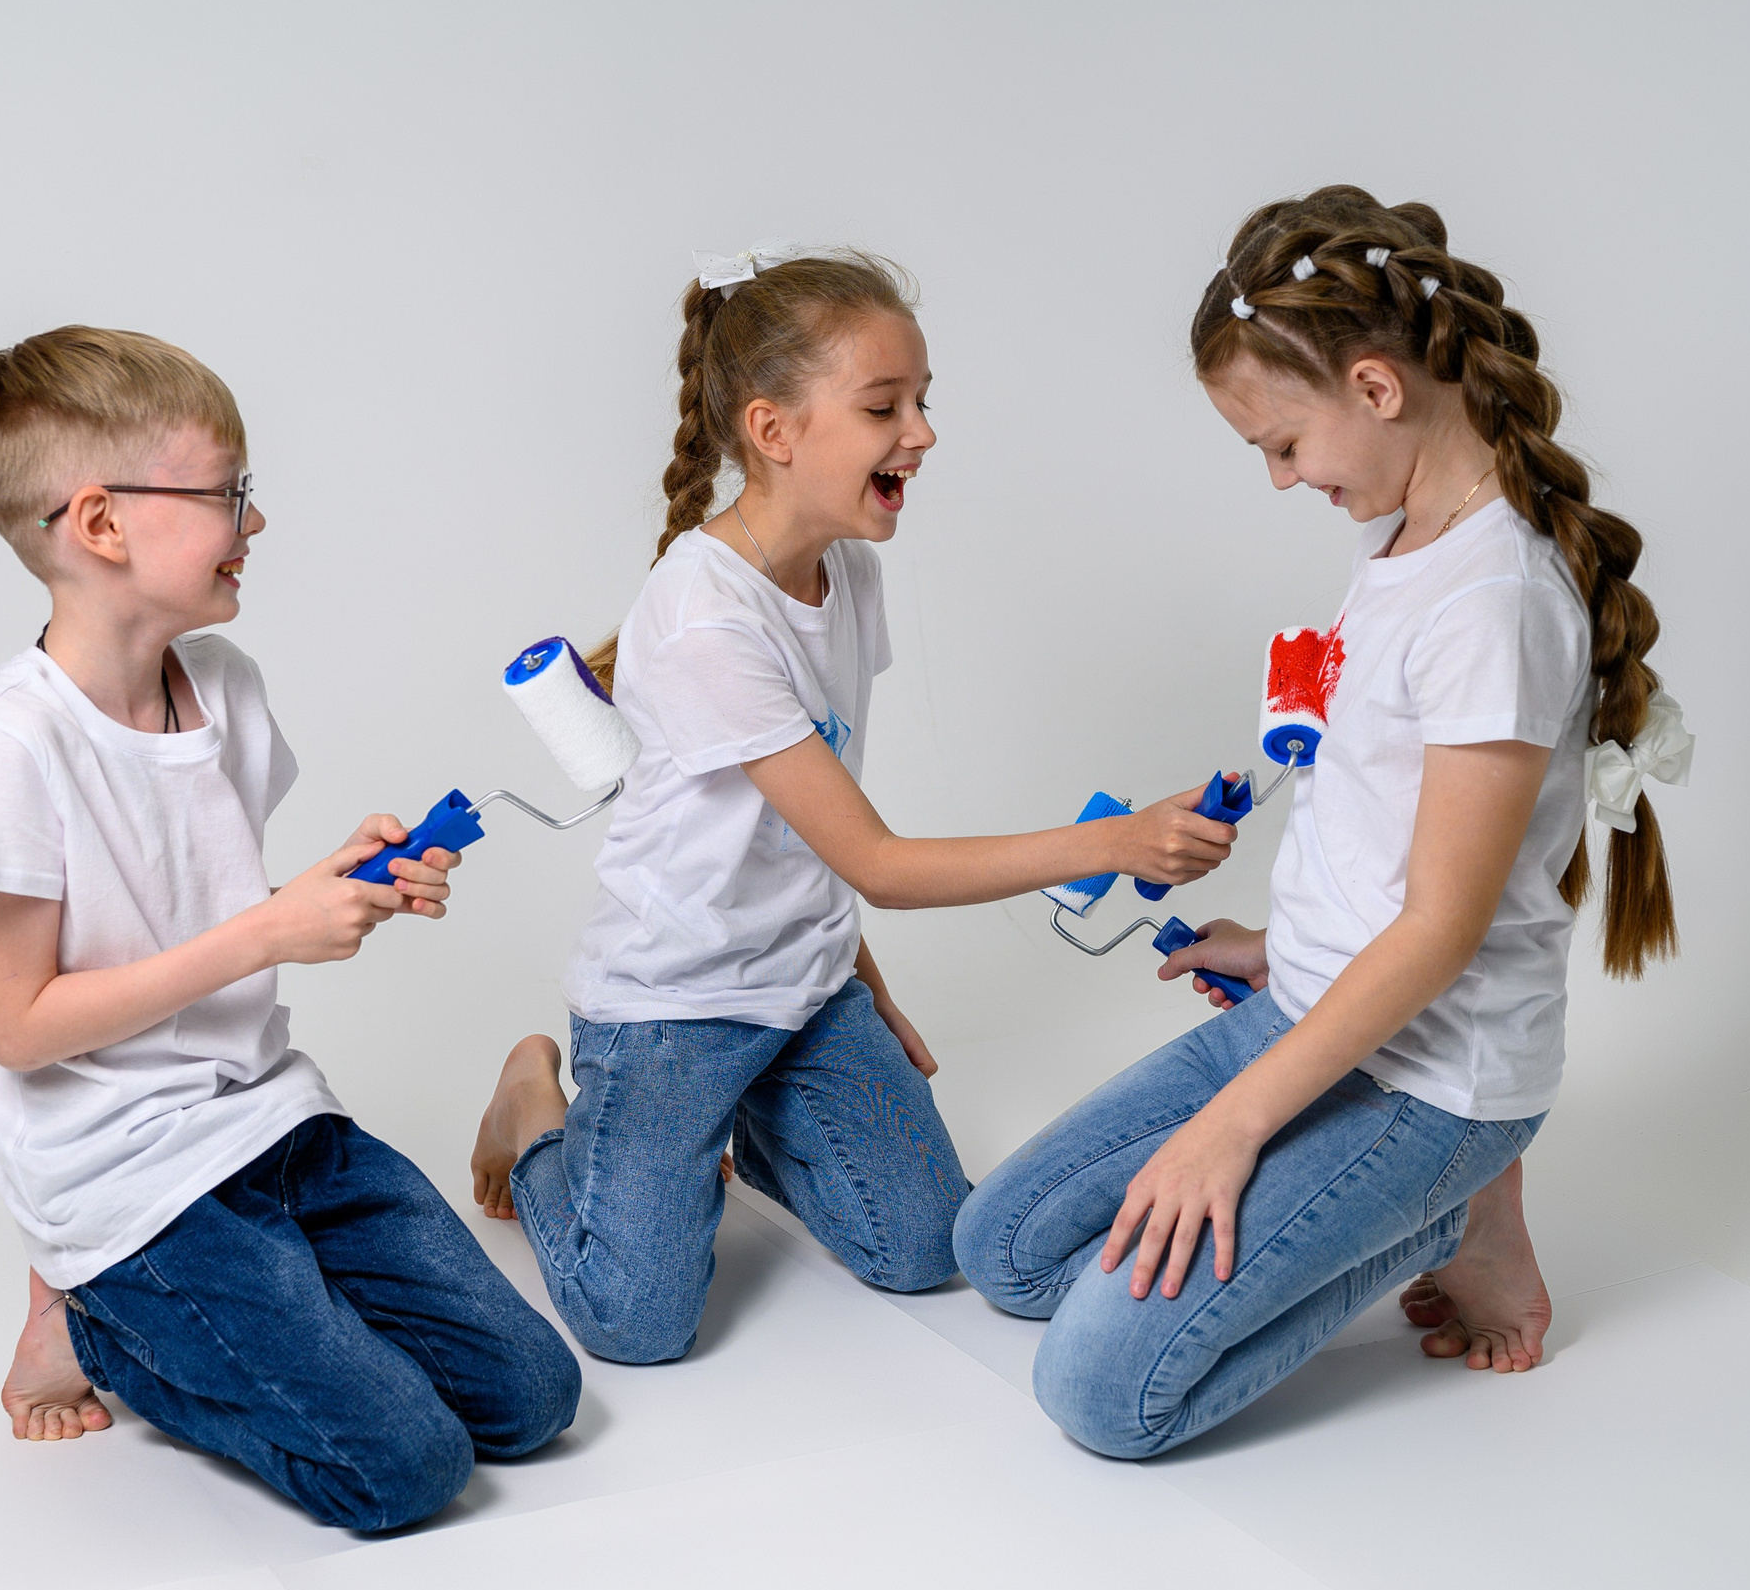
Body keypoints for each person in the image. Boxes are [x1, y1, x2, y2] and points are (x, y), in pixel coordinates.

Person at [953, 187, 1689, 1458]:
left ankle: (1460, 1209)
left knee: (1101, 1392)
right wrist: (1284, 939)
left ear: (1375, 385)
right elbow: (1380, 812)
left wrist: (1227, 1130)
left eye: (1283, 445)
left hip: (1432, 1077)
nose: (1285, 478)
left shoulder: (1495, 600)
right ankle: (1424, 1198)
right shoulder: (1405, 534)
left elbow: (1442, 929)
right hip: (1319, 1003)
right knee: (1001, 1249)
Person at [468, 248, 1239, 1364]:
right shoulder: (703, 616)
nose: (921, 432)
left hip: (805, 990)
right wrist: (1115, 839)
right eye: (885, 406)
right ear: (774, 430)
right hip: (672, 1008)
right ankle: (536, 1104)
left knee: (927, 1244)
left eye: (923, 401)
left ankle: (746, 1119)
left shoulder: (848, 571)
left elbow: (815, 824)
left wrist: (855, 983)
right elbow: (875, 857)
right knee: (633, 1323)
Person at [0, 326, 578, 1529]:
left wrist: (340, 883)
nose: (255, 521)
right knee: (404, 1470)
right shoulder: (9, 751)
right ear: (101, 524)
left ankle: (272, 1303)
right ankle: (95, 1324)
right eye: (228, 493)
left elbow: (204, 899)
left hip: (270, 1119)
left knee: (533, 1398)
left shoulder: (222, 683)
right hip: (131, 1183)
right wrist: (272, 934)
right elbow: (17, 1027)